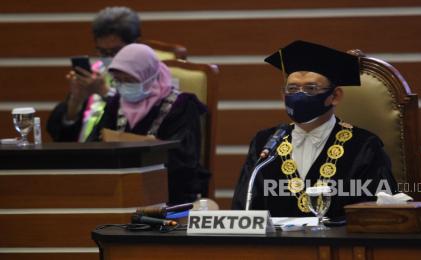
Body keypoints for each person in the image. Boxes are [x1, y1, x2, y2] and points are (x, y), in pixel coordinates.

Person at [232, 40, 397, 219]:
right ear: (283, 95)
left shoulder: (364, 146)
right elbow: (243, 210)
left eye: (311, 88)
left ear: (335, 96)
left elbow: (379, 214)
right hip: (275, 246)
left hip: (340, 245)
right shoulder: (265, 144)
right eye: (292, 89)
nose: (299, 96)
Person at [48, 43, 210, 204]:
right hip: (119, 192)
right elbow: (95, 145)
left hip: (168, 195)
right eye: (118, 81)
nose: (124, 86)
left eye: (130, 80)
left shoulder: (182, 105)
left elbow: (184, 162)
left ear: (149, 76)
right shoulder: (117, 102)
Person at [47, 6, 141, 141]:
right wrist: (76, 100)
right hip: (82, 156)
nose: (109, 58)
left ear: (135, 44)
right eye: (103, 52)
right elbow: (60, 136)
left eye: (116, 51)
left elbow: (140, 125)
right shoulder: (96, 73)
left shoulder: (150, 76)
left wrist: (103, 92)